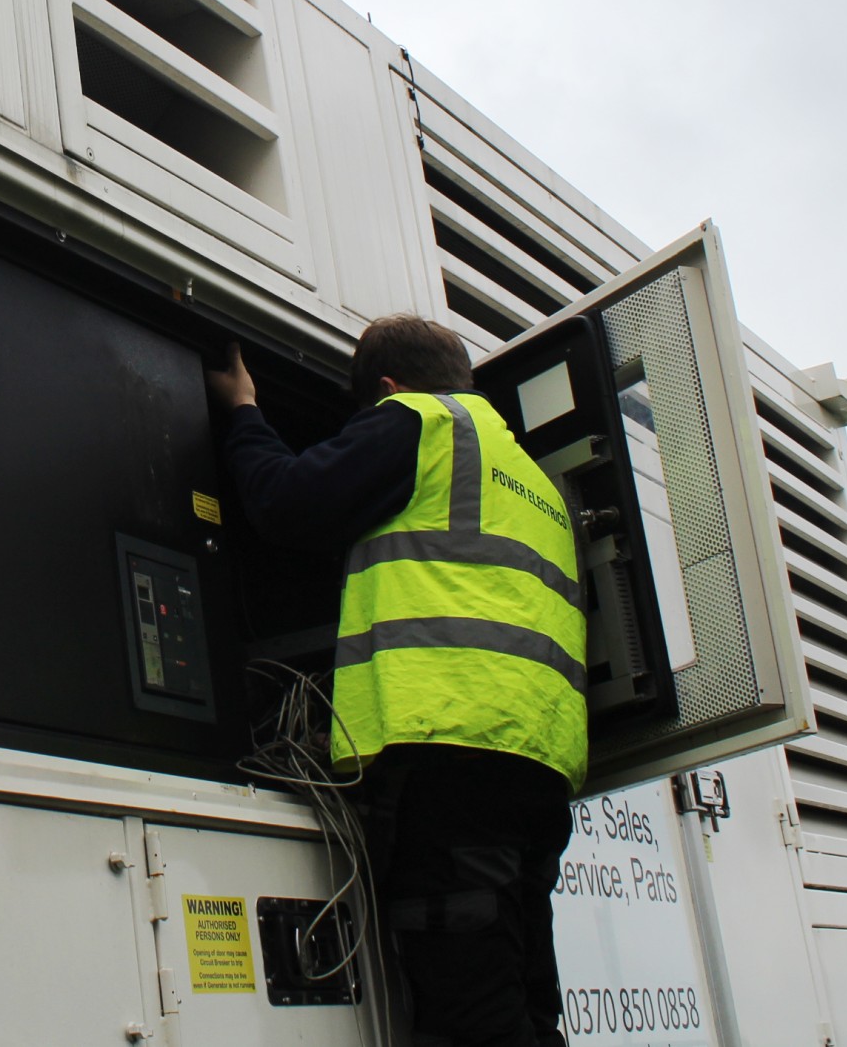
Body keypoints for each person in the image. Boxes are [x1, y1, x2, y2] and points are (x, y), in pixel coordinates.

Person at [205, 314, 585, 1047]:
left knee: (468, 1009)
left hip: (453, 760)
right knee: (524, 998)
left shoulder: (418, 422)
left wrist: (243, 408)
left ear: (386, 388)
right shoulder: (533, 479)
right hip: (537, 771)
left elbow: (286, 500)